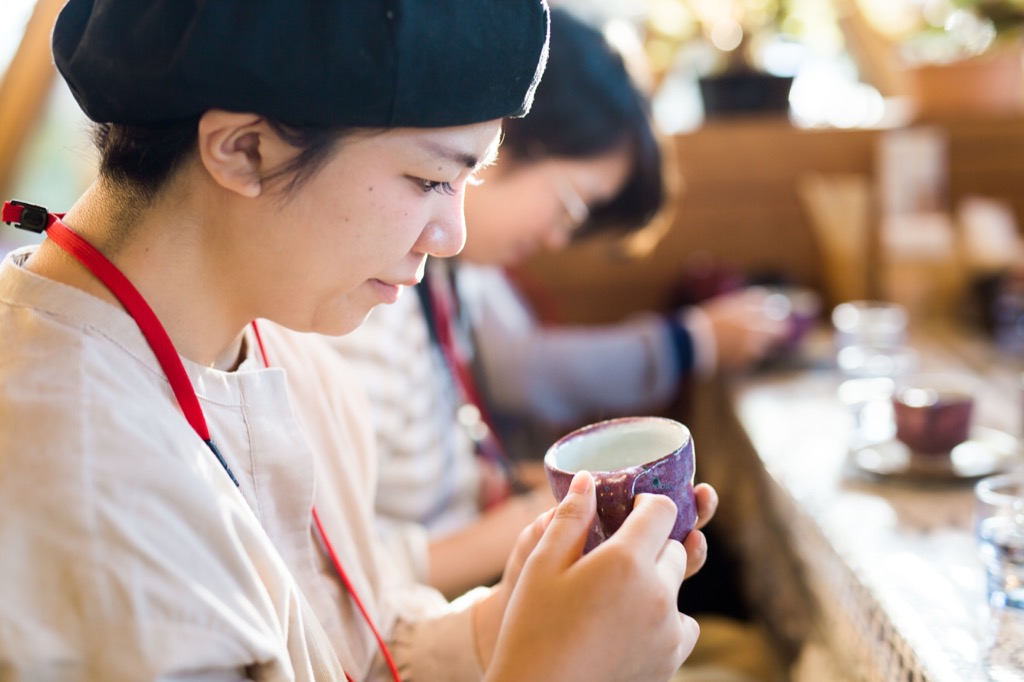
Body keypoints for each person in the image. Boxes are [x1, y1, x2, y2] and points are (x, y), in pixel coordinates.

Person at [0, 2, 719, 681]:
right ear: (244, 149)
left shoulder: (286, 346)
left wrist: (513, 620)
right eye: (431, 177)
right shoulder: (79, 479)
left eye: (472, 178)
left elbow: (360, 642)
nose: (454, 235)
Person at [331, 7, 786, 601]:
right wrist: (538, 523)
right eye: (570, 207)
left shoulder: (448, 278)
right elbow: (339, 582)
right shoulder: (362, 310)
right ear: (508, 134)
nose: (556, 241)